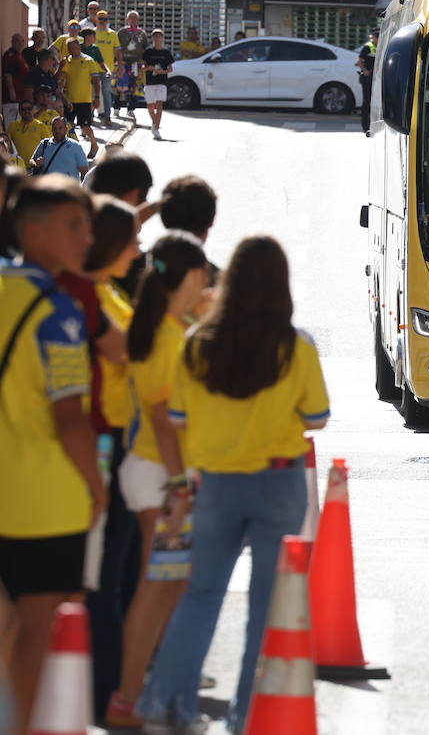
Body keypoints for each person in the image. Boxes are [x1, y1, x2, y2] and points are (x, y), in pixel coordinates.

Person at [136, 236, 329, 734]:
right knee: (266, 607)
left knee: (200, 595)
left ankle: (164, 703)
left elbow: (177, 415)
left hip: (215, 484)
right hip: (277, 481)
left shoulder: (198, 343)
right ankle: (247, 715)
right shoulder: (296, 346)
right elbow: (317, 417)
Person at [0, 175, 104, 734]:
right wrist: (97, 487)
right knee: (37, 636)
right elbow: (70, 419)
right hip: (46, 503)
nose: (87, 237)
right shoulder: (58, 312)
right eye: (74, 225)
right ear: (32, 230)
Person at [107, 231, 210, 727]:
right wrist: (181, 491)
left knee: (167, 587)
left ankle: (150, 696)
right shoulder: (169, 337)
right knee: (157, 588)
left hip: (154, 474)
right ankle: (130, 698)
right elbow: (167, 420)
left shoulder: (164, 326)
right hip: (162, 478)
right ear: (190, 275)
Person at [79, 197, 144, 720]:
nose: (140, 248)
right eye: (131, 239)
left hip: (117, 442)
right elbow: (125, 351)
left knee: (117, 570)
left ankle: (112, 683)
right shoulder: (88, 295)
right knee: (102, 576)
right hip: (101, 444)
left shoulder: (103, 290)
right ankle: (103, 691)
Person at [59, 34, 102, 157]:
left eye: (74, 47)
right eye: (70, 48)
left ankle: (94, 144)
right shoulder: (67, 61)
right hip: (69, 100)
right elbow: (61, 78)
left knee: (85, 126)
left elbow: (96, 80)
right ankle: (69, 150)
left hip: (84, 100)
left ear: (79, 46)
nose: (73, 50)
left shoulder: (89, 61)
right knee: (67, 125)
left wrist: (97, 97)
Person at [142, 30, 175, 141]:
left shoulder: (166, 52)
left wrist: (162, 71)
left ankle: (156, 127)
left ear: (162, 38)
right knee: (150, 105)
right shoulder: (148, 52)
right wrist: (149, 68)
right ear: (153, 39)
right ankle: (154, 122)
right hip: (150, 81)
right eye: (155, 37)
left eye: (159, 37)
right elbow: (143, 67)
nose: (157, 39)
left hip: (162, 82)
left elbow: (170, 69)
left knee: (159, 104)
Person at [116, 11, 148, 120]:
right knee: (120, 86)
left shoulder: (142, 33)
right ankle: (117, 107)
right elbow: (116, 48)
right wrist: (118, 62)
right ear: (127, 19)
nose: (133, 19)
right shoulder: (121, 32)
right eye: (131, 17)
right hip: (123, 63)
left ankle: (131, 109)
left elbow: (145, 49)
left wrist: (143, 63)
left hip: (136, 64)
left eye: (135, 17)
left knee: (134, 87)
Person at [92, 12, 119, 126]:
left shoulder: (112, 34)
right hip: (92, 69)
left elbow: (118, 52)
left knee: (106, 93)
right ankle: (91, 116)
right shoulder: (92, 33)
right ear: (96, 19)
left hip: (107, 70)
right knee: (92, 93)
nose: (102, 21)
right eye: (100, 18)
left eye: (105, 19)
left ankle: (108, 117)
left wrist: (120, 66)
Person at [6, 100, 49, 166]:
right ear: (19, 111)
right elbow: (7, 145)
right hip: (19, 166)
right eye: (23, 109)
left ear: (33, 110)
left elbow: (48, 146)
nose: (26, 111)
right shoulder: (12, 126)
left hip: (36, 166)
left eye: (29, 108)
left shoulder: (41, 126)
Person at [356, 27, 378, 134]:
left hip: (376, 78)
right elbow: (359, 62)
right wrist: (365, 70)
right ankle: (365, 127)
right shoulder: (367, 47)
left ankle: (374, 124)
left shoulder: (380, 46)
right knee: (366, 102)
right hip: (367, 79)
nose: (372, 39)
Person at [2, 33, 26, 124]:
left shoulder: (19, 55)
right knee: (10, 123)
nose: (20, 44)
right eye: (17, 41)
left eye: (22, 41)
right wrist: (12, 91)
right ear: (12, 42)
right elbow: (8, 74)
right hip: (12, 98)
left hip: (20, 97)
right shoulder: (10, 55)